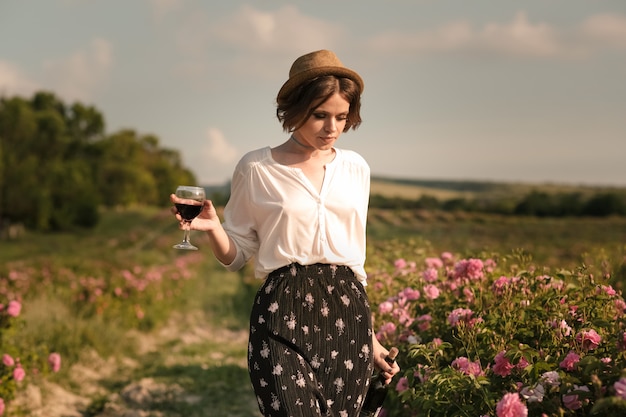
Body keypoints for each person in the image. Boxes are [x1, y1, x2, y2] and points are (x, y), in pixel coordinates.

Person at [171, 49, 400, 417]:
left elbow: (355, 262)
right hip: (282, 313)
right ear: (295, 110)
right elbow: (237, 255)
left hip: (348, 316)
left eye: (342, 117)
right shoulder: (256, 167)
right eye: (320, 115)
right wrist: (215, 228)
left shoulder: (356, 168)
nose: (332, 128)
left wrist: (370, 340)